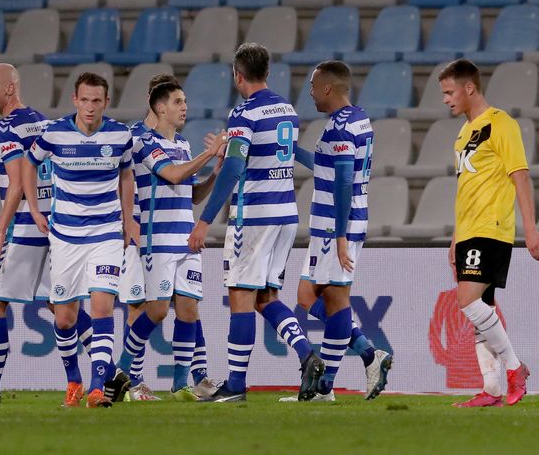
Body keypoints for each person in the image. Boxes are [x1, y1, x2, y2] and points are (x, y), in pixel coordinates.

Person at [189, 42, 325, 402]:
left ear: (238, 75)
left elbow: (234, 167)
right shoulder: (287, 109)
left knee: (241, 297)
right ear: (266, 72)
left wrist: (203, 221)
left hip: (254, 216)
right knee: (266, 297)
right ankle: (306, 354)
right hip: (286, 215)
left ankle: (235, 385)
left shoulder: (243, 114)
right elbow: (287, 152)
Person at [0, 64, 93, 404]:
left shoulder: (6, 128)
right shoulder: (42, 121)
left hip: (24, 228)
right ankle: (110, 370)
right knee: (59, 303)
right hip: (51, 223)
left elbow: (16, 184)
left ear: (9, 89)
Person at [280, 61, 392, 402]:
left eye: (313, 86)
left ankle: (327, 386)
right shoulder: (356, 119)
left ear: (328, 88)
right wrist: (289, 152)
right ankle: (367, 353)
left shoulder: (342, 128)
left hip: (336, 225)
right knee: (306, 296)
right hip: (329, 226)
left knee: (337, 299)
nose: (310, 93)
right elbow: (327, 167)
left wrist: (341, 235)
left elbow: (344, 180)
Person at [437, 58, 539, 407]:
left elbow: (520, 175)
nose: (445, 99)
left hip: (492, 228)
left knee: (466, 301)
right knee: (481, 306)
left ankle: (515, 369)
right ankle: (492, 388)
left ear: (469, 88)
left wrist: (530, 228)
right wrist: (456, 236)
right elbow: (465, 187)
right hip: (469, 230)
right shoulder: (463, 134)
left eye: (449, 92)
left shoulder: (501, 124)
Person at [23, 72, 135, 408]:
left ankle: (98, 387)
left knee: (102, 308)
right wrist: (33, 209)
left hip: (105, 234)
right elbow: (28, 164)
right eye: (84, 100)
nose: (89, 107)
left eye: (96, 100)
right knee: (65, 318)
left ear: (106, 102)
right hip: (66, 236)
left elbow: (126, 174)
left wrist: (128, 219)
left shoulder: (120, 135)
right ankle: (74, 381)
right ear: (74, 100)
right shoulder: (54, 133)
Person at [116, 81, 225, 401]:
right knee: (158, 310)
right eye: (178, 101)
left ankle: (181, 385)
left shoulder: (184, 146)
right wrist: (209, 152)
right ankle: (121, 371)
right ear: (160, 107)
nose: (184, 107)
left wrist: (216, 170)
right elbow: (173, 175)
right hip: (157, 239)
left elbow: (191, 193)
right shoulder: (144, 143)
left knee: (189, 310)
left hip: (185, 237)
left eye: (185, 101)